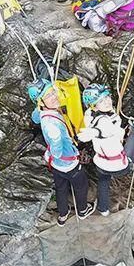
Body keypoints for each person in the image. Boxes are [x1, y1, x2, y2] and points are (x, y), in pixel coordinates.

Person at [29, 79, 96, 225]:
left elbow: (34, 117)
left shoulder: (41, 112)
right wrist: (56, 151)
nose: (54, 97)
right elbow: (58, 151)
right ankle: (83, 211)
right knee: (81, 186)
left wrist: (49, 156)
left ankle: (62, 216)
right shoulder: (53, 126)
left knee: (61, 188)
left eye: (53, 92)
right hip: (68, 163)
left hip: (56, 166)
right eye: (49, 96)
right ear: (41, 101)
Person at [77, 84, 134, 216]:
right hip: (120, 167)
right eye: (100, 101)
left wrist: (94, 132)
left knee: (103, 181)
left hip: (101, 164)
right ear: (94, 105)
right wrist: (96, 132)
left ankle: (103, 208)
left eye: (106, 97)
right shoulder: (104, 122)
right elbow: (105, 130)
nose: (107, 102)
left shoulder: (89, 114)